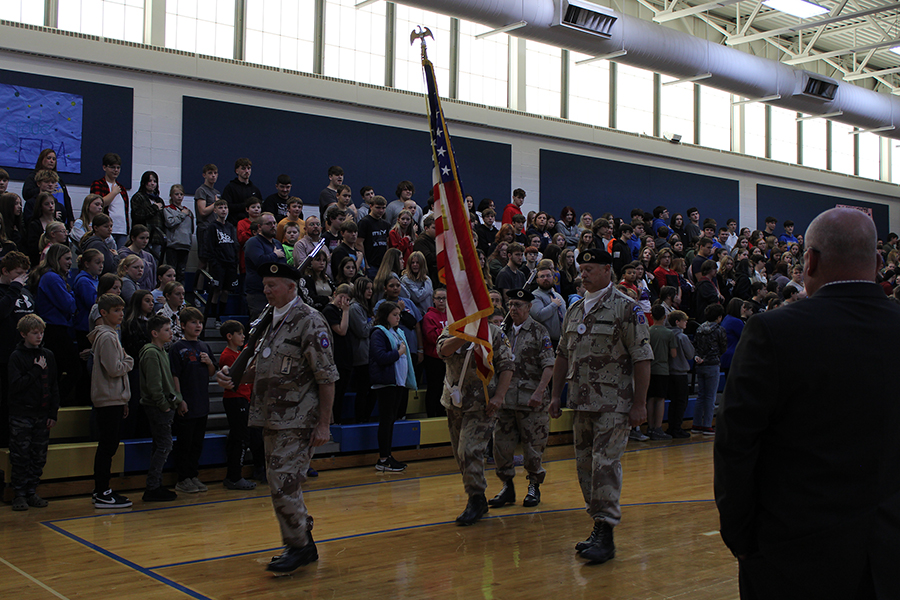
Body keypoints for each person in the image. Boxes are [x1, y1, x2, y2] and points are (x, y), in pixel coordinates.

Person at [715, 208, 900, 599]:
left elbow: (736, 445)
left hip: (794, 555)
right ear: (879, 262)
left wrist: (741, 539)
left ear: (809, 261)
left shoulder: (773, 331)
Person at [215, 261, 338, 575]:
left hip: (299, 418)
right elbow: (268, 366)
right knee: (282, 482)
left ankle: (300, 546)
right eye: (265, 284)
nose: (266, 290)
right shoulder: (269, 321)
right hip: (271, 416)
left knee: (283, 483)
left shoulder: (309, 321)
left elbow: (326, 376)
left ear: (292, 288)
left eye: (273, 284)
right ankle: (301, 539)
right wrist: (236, 376)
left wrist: (324, 423)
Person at [550, 249, 653, 565]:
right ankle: (597, 525)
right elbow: (562, 355)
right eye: (581, 269)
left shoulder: (626, 309)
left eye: (590, 269)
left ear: (608, 271)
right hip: (581, 403)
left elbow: (642, 357)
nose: (583, 274)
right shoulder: (575, 310)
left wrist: (639, 404)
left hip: (614, 404)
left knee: (605, 465)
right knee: (585, 467)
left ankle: (606, 535)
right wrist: (556, 396)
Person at [437, 311, 514, 526]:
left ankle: (476, 498)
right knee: (460, 455)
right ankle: (475, 494)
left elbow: (507, 365)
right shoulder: (452, 329)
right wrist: (466, 335)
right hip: (455, 402)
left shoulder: (494, 333)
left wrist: (499, 396)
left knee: (469, 450)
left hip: (483, 403)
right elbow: (442, 350)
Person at [488, 288, 554, 509]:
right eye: (511, 304)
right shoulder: (501, 331)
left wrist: (540, 391)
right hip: (505, 400)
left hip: (530, 401)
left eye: (518, 305)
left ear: (529, 307)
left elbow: (548, 365)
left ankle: (534, 486)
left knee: (533, 447)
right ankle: (507, 487)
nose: (513, 309)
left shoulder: (538, 331)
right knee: (501, 446)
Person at [7, 314, 59, 511]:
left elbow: (53, 385)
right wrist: (36, 370)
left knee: (39, 456)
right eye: (34, 333)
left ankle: (31, 491)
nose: (39, 337)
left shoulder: (48, 355)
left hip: (42, 413)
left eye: (41, 333)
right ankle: (19, 493)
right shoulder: (16, 357)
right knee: (20, 455)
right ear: (23, 334)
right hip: (22, 414)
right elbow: (16, 385)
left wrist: (53, 413)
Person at [88, 293, 134, 508]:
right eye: (116, 310)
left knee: (110, 445)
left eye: (122, 310)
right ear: (104, 313)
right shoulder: (106, 336)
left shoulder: (111, 334)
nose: (121, 314)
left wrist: (123, 399)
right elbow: (115, 369)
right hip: (107, 399)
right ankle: (102, 491)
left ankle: (102, 490)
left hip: (114, 398)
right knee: (107, 446)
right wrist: (129, 361)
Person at [170, 307, 216, 494]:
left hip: (201, 402)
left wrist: (209, 363)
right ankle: (182, 478)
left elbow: (213, 372)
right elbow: (174, 375)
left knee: (197, 443)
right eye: (193, 322)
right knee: (185, 443)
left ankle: (192, 474)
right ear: (183, 325)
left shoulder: (204, 347)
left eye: (200, 322)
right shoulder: (177, 348)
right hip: (187, 401)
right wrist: (180, 399)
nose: (198, 326)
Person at [139, 314, 183, 502]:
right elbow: (154, 384)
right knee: (165, 445)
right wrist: (164, 405)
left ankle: (155, 484)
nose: (170, 332)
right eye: (166, 330)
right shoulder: (150, 352)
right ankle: (152, 486)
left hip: (165, 405)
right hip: (157, 407)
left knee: (161, 445)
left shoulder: (163, 352)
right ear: (155, 333)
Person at [369, 300, 416, 472]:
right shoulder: (378, 333)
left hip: (398, 382)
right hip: (386, 382)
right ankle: (383, 458)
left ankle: (388, 455)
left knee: (391, 420)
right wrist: (399, 353)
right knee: (386, 420)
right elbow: (380, 357)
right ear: (385, 316)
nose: (398, 318)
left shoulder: (397, 332)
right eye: (394, 315)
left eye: (399, 315)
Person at [217, 319, 263, 489]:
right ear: (230, 336)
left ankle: (237, 475)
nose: (243, 336)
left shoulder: (239, 352)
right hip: (235, 399)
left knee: (243, 437)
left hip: (245, 398)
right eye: (239, 333)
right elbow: (232, 374)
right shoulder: (227, 355)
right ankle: (234, 476)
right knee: (240, 438)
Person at [200, 199, 239, 327]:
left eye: (225, 207)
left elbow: (235, 245)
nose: (223, 210)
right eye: (220, 207)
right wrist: (213, 262)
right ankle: (212, 317)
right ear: (215, 210)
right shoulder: (212, 227)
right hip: (218, 264)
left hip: (230, 264)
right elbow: (209, 246)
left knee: (226, 292)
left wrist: (235, 262)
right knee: (216, 291)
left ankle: (219, 318)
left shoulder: (230, 227)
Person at [691, 303, 726, 435]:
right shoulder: (719, 330)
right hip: (712, 363)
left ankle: (696, 424)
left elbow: (695, 345)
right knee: (710, 396)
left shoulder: (699, 328)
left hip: (700, 364)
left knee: (701, 395)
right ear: (718, 317)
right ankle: (707, 425)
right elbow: (723, 347)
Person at [244, 212, 286, 319]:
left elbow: (282, 265)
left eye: (274, 223)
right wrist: (275, 255)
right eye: (269, 224)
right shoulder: (253, 242)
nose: (273, 226)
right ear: (259, 227)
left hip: (276, 291)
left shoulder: (277, 243)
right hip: (258, 292)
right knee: (259, 323)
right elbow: (260, 262)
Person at [646, 303, 676, 441]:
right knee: (660, 399)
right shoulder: (669, 333)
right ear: (665, 317)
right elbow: (674, 354)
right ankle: (658, 428)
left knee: (650, 398)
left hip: (649, 369)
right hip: (663, 369)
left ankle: (650, 427)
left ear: (651, 316)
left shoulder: (647, 331)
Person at [90, 153, 130, 247]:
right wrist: (113, 193)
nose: (116, 170)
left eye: (118, 167)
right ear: (104, 167)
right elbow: (98, 205)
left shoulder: (122, 188)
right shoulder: (98, 184)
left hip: (122, 230)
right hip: (106, 230)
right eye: (112, 167)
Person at [665, 310, 693, 438]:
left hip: (669, 372)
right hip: (680, 372)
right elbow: (690, 354)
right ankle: (677, 427)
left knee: (673, 402)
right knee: (681, 402)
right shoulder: (682, 337)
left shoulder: (667, 334)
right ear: (677, 322)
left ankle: (671, 427)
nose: (686, 322)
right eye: (684, 320)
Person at [129, 171, 166, 260]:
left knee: (154, 263)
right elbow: (138, 215)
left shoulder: (159, 200)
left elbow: (162, 220)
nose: (152, 184)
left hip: (157, 238)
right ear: (144, 182)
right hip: (142, 236)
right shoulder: (138, 197)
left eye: (155, 181)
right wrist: (154, 208)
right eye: (150, 181)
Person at [529, 264, 564, 347]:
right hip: (544, 342)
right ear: (537, 280)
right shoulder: (535, 296)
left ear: (553, 278)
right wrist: (554, 305)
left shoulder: (558, 296)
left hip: (561, 341)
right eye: (542, 276)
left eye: (548, 276)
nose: (545, 278)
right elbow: (539, 315)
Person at [222, 158, 262, 225]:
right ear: (237, 171)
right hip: (235, 224)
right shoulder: (230, 188)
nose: (247, 171)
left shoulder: (255, 189)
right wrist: (246, 205)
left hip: (253, 225)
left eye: (248, 168)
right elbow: (228, 206)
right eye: (243, 168)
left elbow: (260, 206)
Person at [118, 225, 158, 291]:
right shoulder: (124, 254)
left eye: (147, 238)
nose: (145, 241)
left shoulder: (149, 256)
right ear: (133, 238)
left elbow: (153, 279)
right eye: (142, 238)